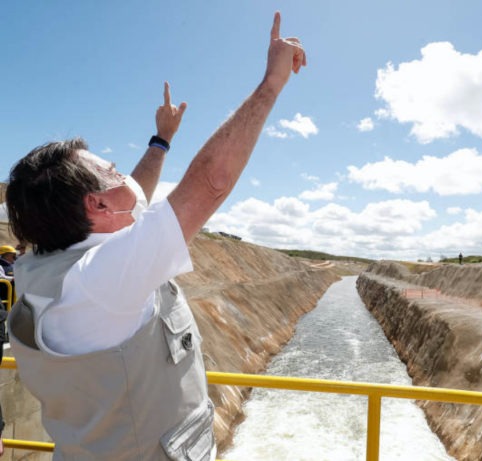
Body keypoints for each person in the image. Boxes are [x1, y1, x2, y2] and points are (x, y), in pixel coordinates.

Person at [6, 12, 305, 460]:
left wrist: (161, 141)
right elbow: (210, 184)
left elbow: (136, 194)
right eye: (110, 170)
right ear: (98, 205)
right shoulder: (100, 279)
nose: (121, 172)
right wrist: (271, 84)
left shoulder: (61, 265)